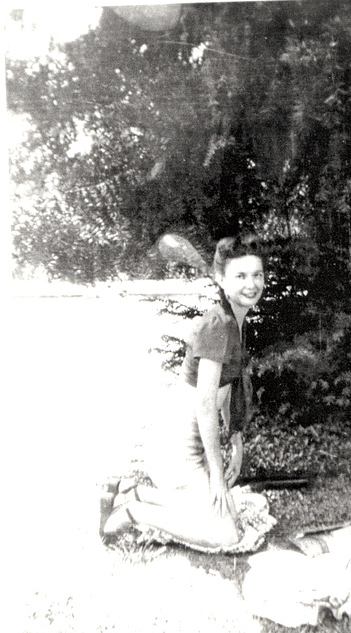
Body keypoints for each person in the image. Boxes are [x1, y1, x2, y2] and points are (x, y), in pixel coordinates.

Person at [102, 235, 266, 549]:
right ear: (221, 279)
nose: (251, 284)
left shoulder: (234, 321)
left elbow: (228, 390)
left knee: (227, 517)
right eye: (241, 275)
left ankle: (134, 492)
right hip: (174, 450)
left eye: (256, 274)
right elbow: (205, 404)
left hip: (193, 446)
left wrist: (236, 440)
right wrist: (216, 474)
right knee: (227, 535)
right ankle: (132, 513)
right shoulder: (217, 325)